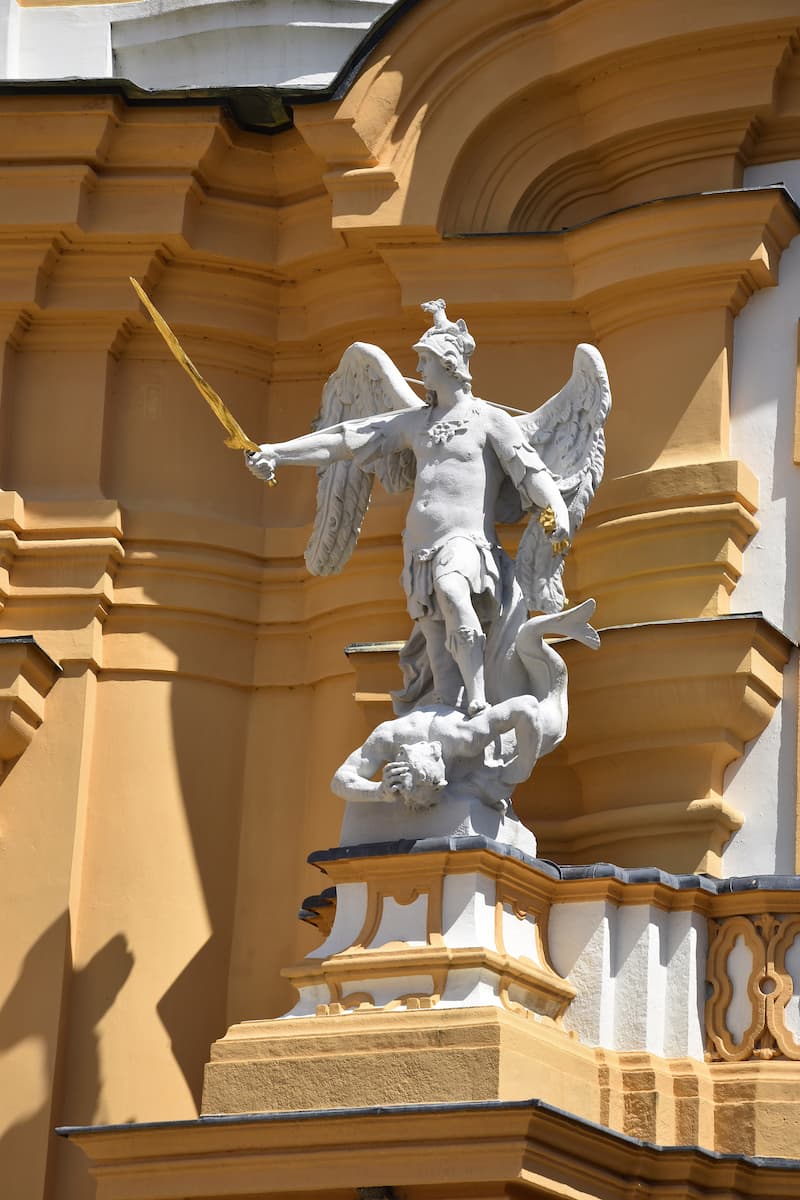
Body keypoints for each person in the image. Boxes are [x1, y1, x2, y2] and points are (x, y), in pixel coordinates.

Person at [246, 300, 570, 714]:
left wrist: (555, 507)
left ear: (448, 364)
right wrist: (278, 452)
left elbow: (530, 471)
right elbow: (346, 437)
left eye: (424, 361)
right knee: (436, 640)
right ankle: (449, 711)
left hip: (466, 544)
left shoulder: (488, 420)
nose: (418, 371)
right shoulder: (416, 422)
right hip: (419, 549)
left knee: (454, 593)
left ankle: (478, 699)